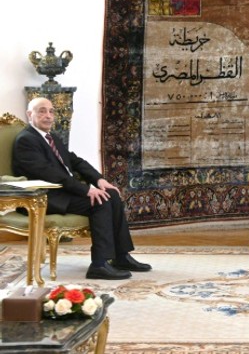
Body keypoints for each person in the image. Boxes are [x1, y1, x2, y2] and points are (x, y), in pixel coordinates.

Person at [12, 97, 151, 280]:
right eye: (42, 111)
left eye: (51, 111)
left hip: (61, 192)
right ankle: (99, 265)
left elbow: (75, 161)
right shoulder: (26, 140)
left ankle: (121, 256)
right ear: (30, 114)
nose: (48, 116)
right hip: (43, 197)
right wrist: (86, 190)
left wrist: (99, 180)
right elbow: (50, 174)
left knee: (111, 194)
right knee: (100, 202)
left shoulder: (50, 137)